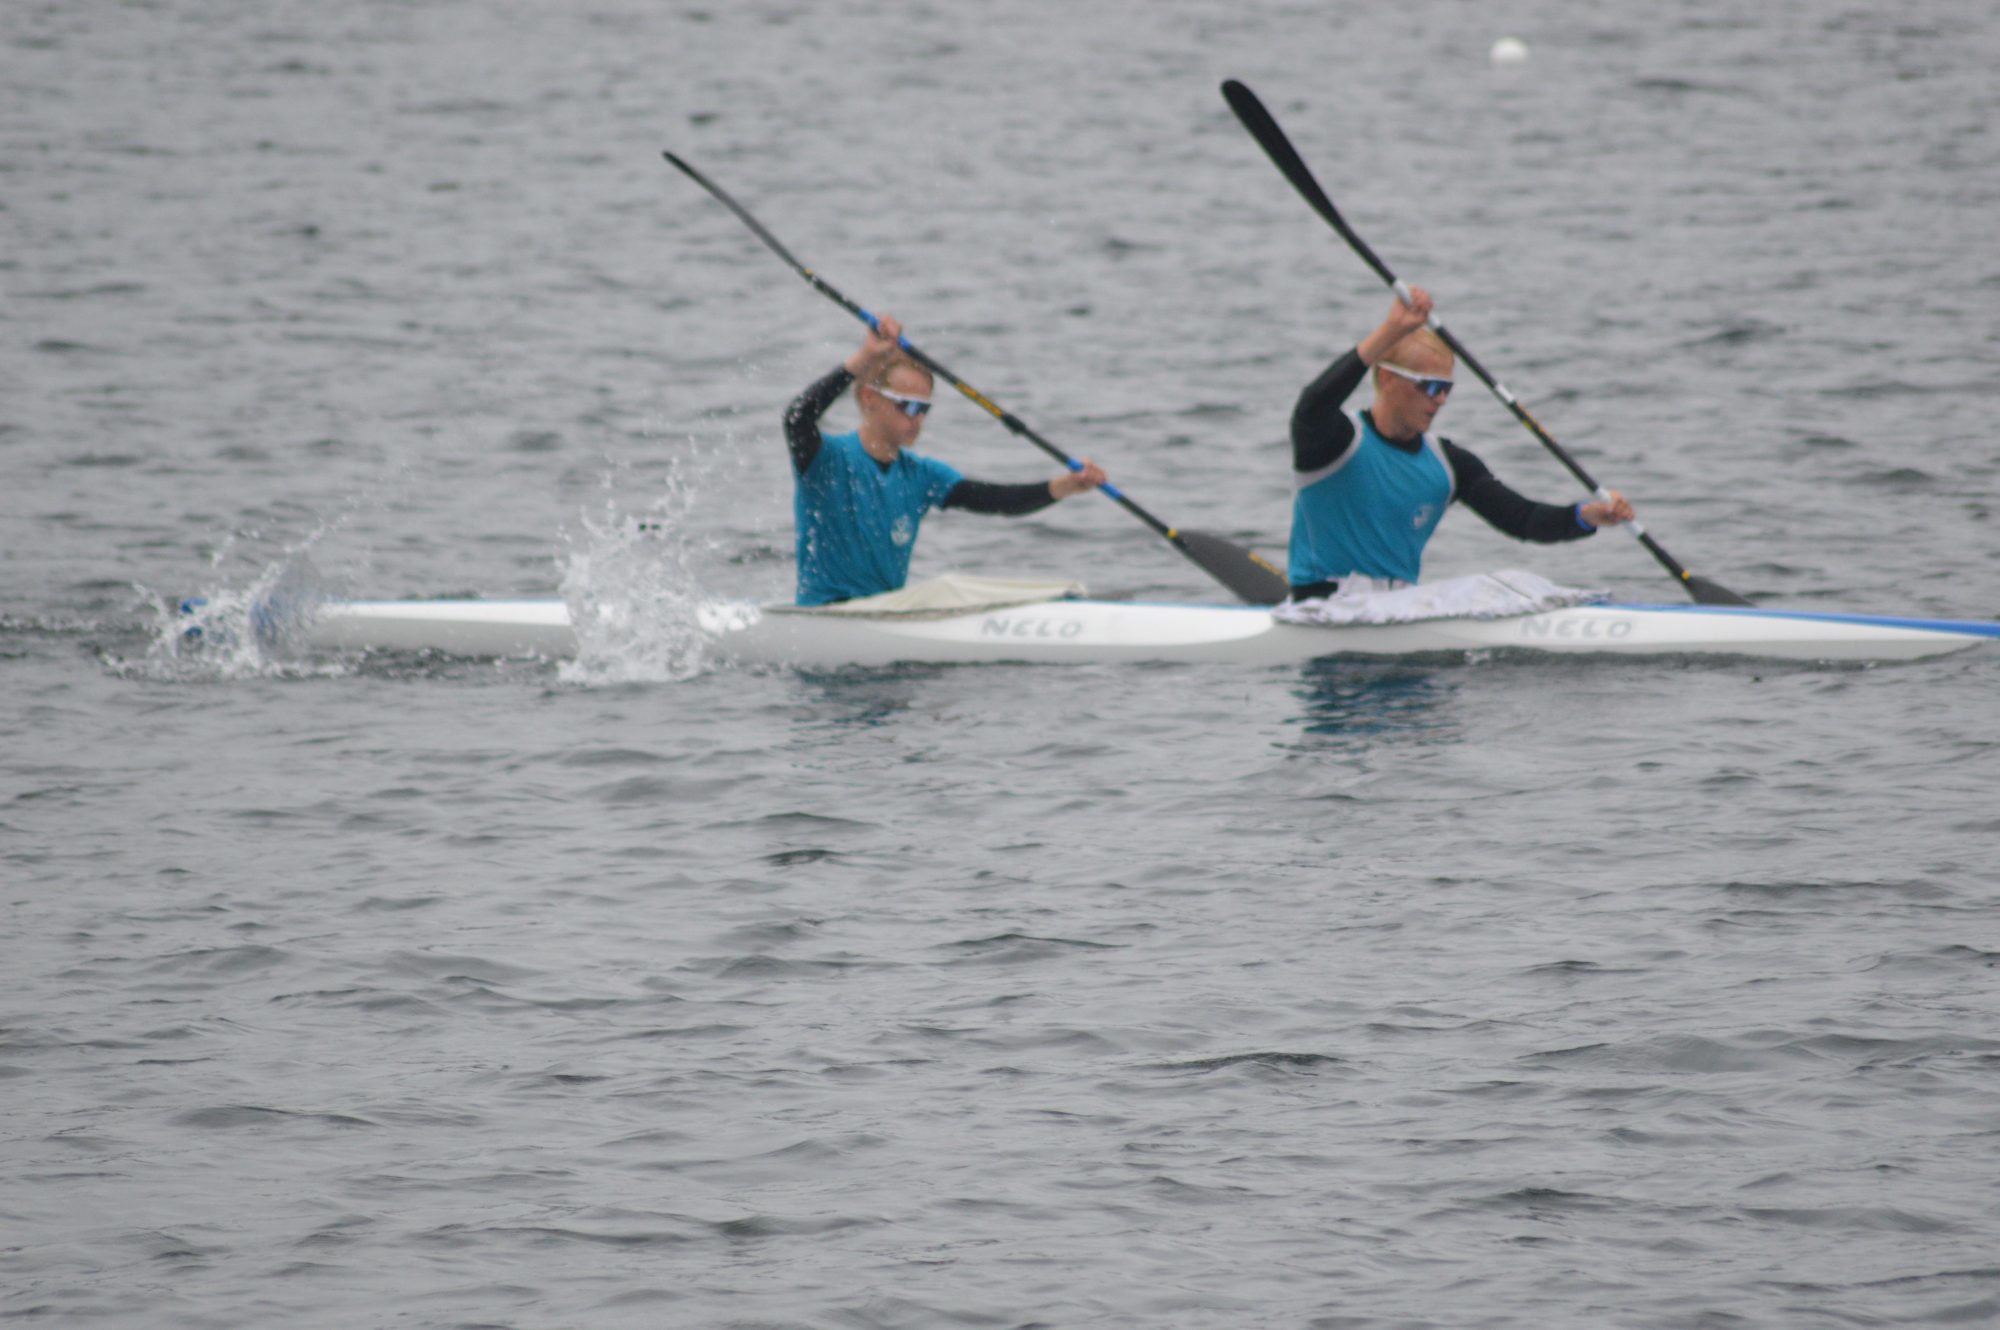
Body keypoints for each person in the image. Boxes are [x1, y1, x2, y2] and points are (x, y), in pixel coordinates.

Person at [1287, 288, 1635, 600]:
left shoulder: (1448, 464)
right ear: (1388, 378)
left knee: (1509, 585)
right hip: (1323, 609)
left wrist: (1585, 516)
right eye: (1430, 386)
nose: (1440, 400)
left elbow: (1523, 519)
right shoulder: (1334, 442)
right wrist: (1391, 330)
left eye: (1446, 388)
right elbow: (1313, 404)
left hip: (1397, 611)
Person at [781, 315, 1107, 606]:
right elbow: (797, 417)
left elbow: (995, 500)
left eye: (924, 409)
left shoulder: (921, 476)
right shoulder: (827, 460)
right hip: (827, 614)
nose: (918, 419)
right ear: (869, 398)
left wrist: (1065, 486)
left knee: (955, 587)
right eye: (908, 406)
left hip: (884, 613)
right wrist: (864, 358)